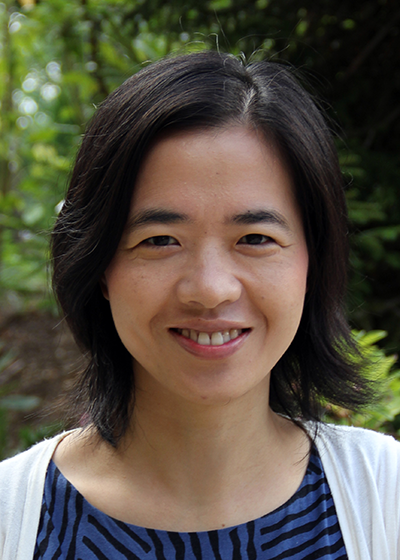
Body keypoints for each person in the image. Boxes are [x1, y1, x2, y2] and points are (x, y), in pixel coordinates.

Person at [0, 50, 399, 560]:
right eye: (161, 240)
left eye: (255, 237)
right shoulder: (17, 520)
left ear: (311, 263)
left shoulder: (385, 500)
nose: (210, 289)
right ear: (100, 268)